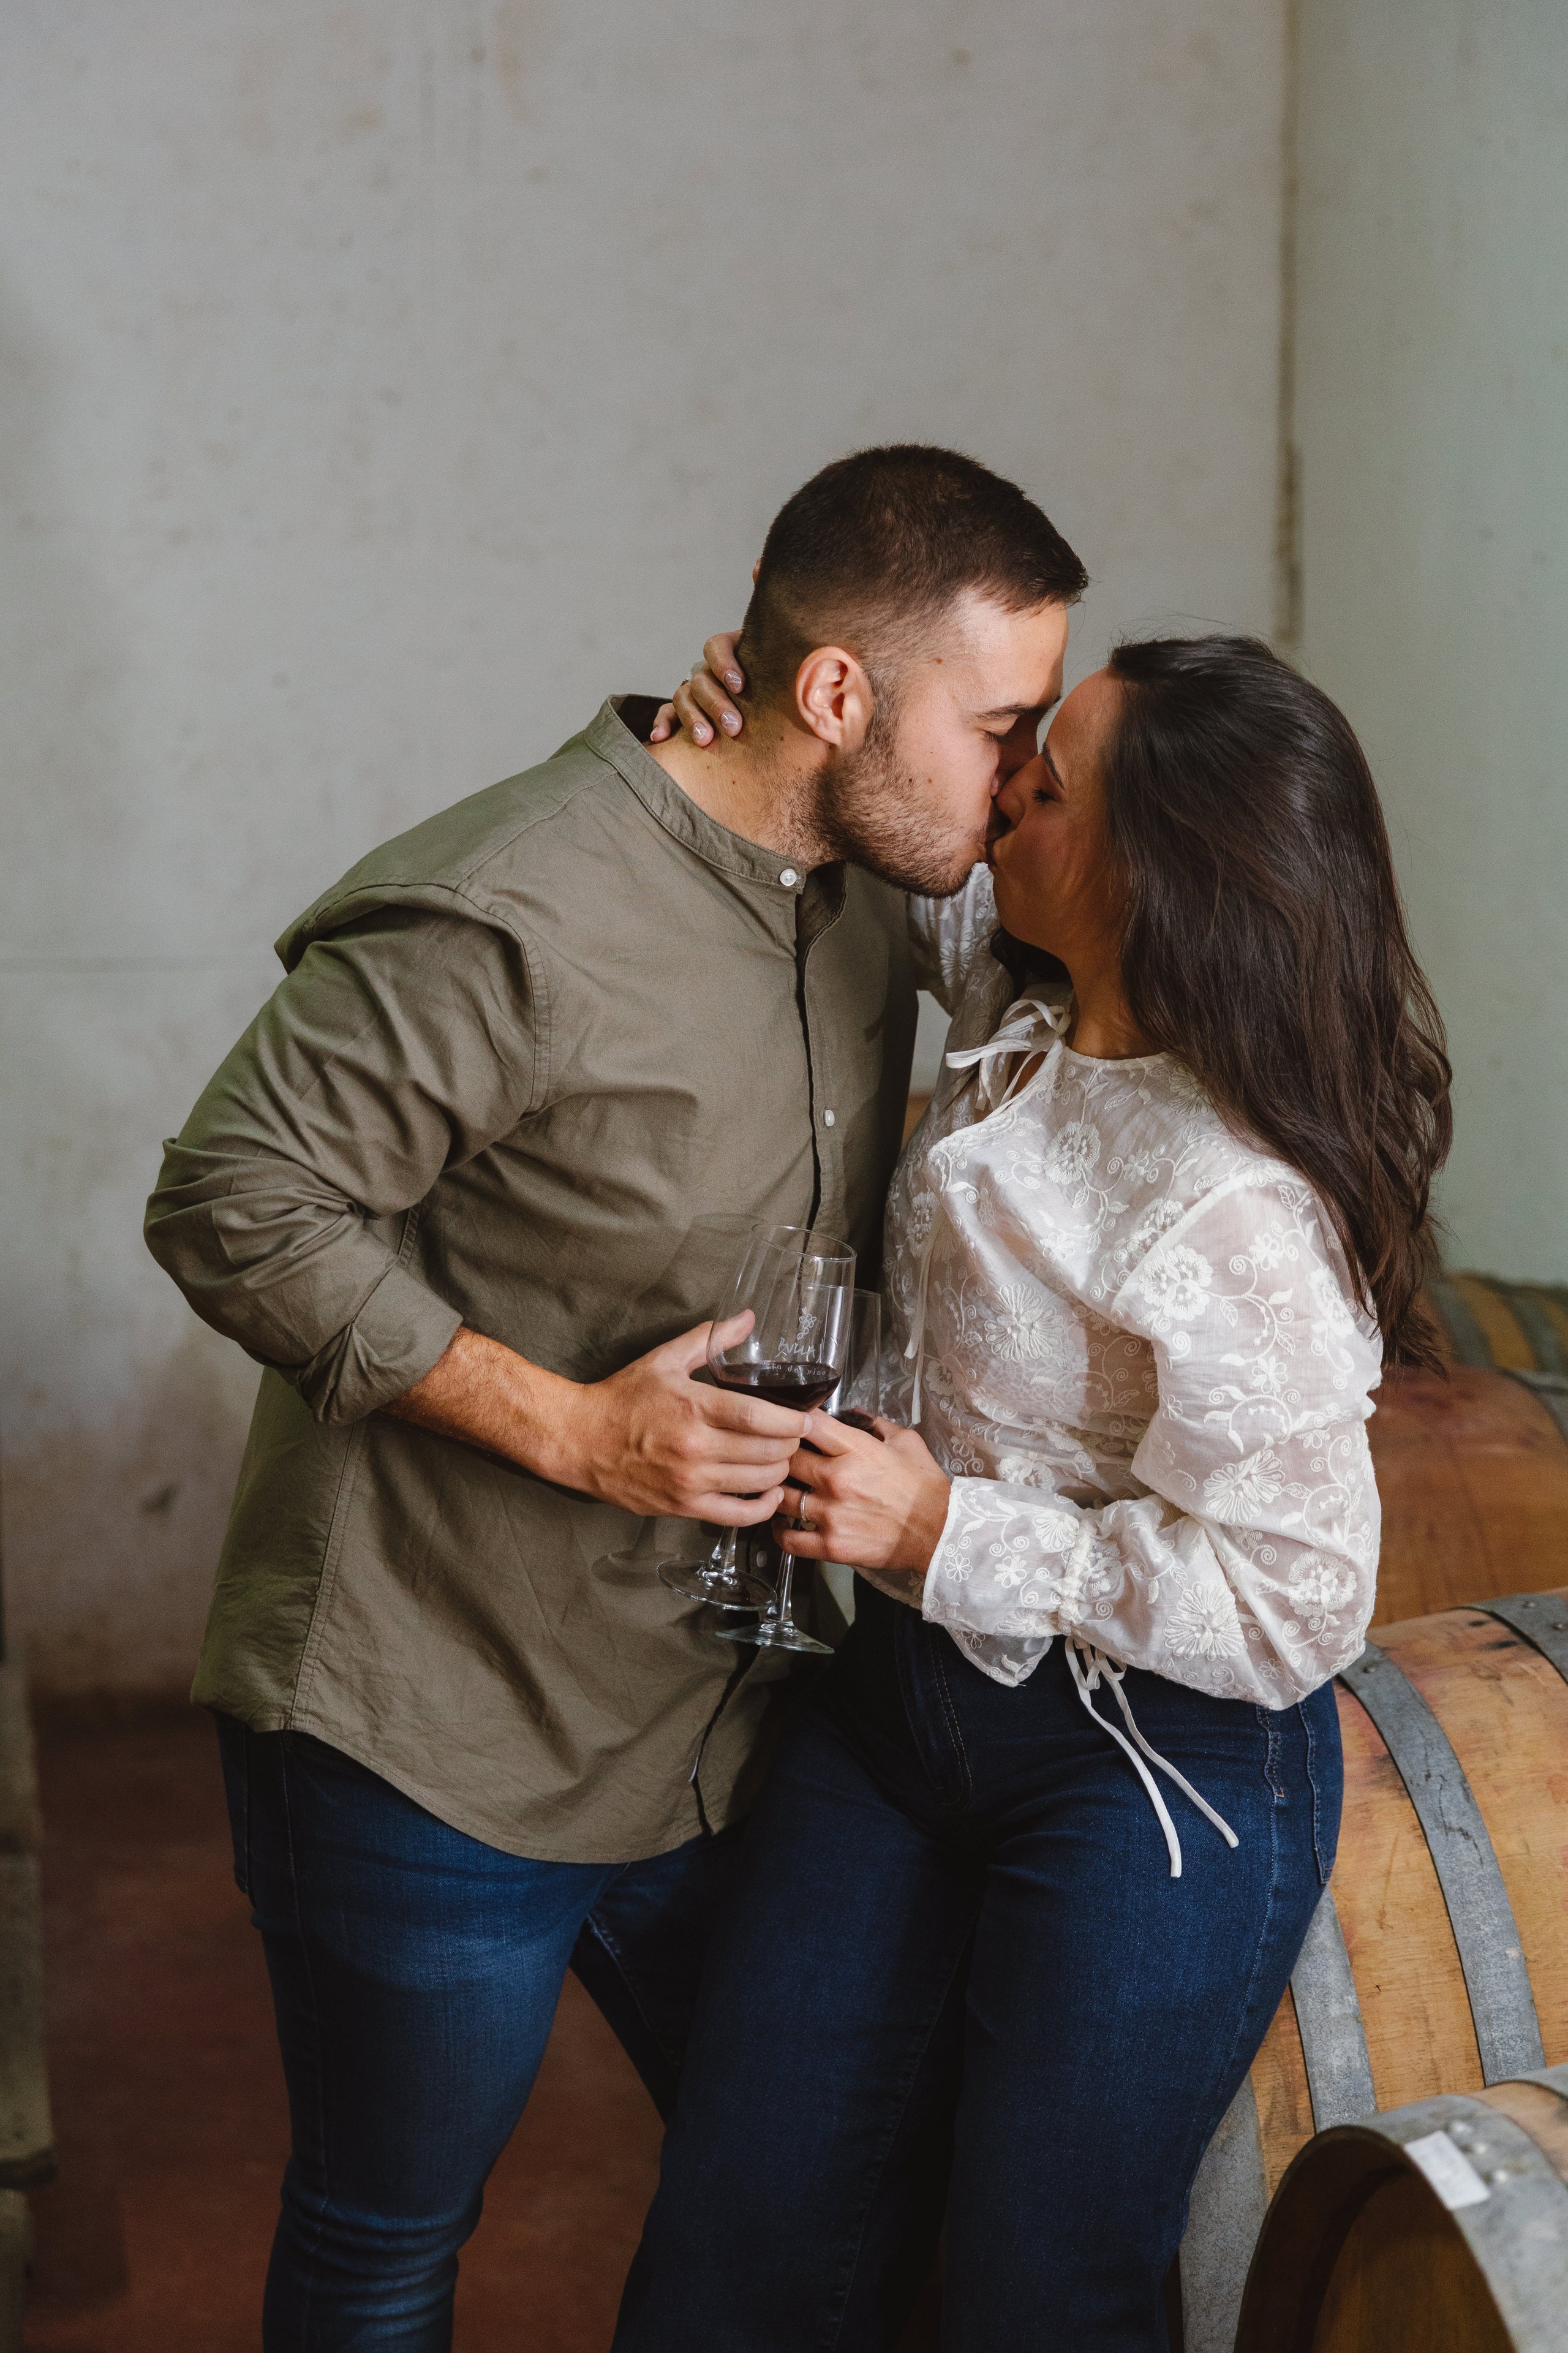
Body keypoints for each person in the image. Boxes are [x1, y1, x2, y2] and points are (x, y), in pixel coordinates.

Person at [141, 443, 1087, 2346]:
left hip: (720, 1717)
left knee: (820, 2184)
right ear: (836, 695)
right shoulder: (511, 909)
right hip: (429, 1720)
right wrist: (575, 1428)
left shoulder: (863, 889)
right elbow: (230, 1197)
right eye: (1005, 724)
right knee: (391, 2234)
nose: (1025, 772)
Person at [614, 633, 1452, 2350]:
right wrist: (753, 728)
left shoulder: (1235, 1201)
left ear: (1151, 868)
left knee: (1035, 2295)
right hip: (907, 1699)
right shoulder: (1031, 976)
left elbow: (1299, 1602)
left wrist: (940, 1530)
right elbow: (900, 839)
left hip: (1151, 1758)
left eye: (1040, 780)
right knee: (735, 2235)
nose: (998, 792)